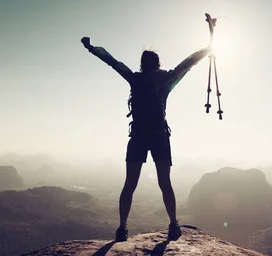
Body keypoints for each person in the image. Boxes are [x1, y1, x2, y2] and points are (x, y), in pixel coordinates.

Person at [81, 37, 212, 242]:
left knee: (129, 184)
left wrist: (92, 49)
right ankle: (173, 224)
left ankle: (122, 228)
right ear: (157, 63)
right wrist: (206, 51)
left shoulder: (135, 79)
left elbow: (114, 62)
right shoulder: (165, 79)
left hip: (138, 137)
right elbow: (186, 64)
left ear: (142, 64)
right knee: (164, 182)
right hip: (159, 136)